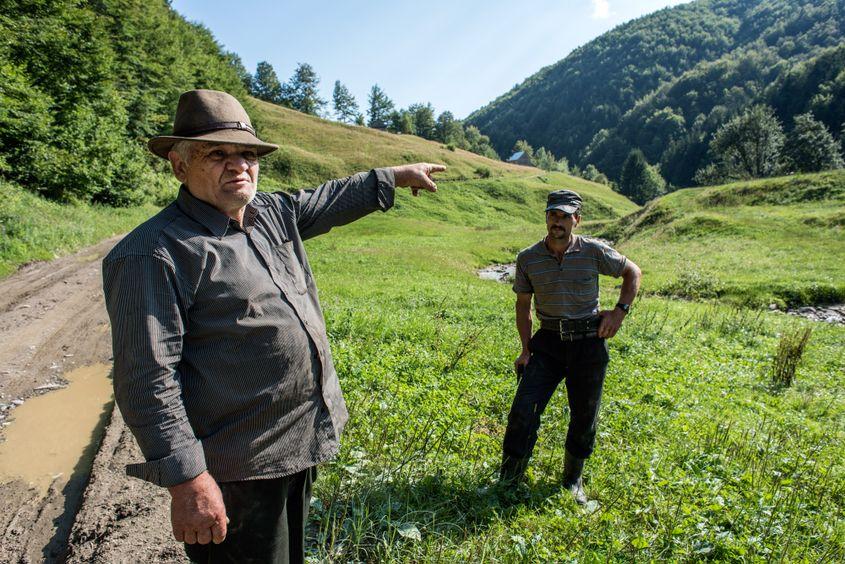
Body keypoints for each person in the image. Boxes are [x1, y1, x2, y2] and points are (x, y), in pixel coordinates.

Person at [102, 89, 445, 563]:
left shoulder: (270, 216)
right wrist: (188, 481)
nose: (239, 165)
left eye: (247, 154)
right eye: (217, 154)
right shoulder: (156, 253)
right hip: (237, 470)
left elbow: (327, 199)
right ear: (180, 165)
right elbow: (146, 379)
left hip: (298, 443)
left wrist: (392, 177)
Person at [499, 189, 641, 504]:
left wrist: (620, 312)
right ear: (546, 217)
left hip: (589, 343)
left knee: (584, 415)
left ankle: (573, 481)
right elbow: (523, 306)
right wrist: (525, 349)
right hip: (548, 342)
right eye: (553, 215)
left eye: (565, 216)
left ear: (577, 219)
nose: (558, 222)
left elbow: (633, 272)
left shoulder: (594, 251)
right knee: (524, 409)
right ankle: (508, 480)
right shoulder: (528, 258)